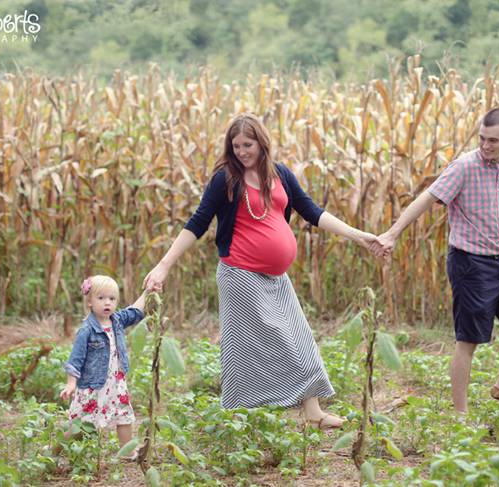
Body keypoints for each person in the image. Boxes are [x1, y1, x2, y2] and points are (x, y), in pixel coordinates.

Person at [144, 113, 380, 429]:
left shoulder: (280, 174)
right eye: (236, 145)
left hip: (275, 278)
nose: (242, 151)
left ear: (261, 142)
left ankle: (314, 413)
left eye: (248, 144)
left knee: (300, 337)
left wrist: (359, 235)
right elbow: (198, 223)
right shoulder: (225, 179)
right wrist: (163, 266)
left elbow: (312, 212)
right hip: (239, 274)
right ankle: (236, 415)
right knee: (246, 345)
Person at [374, 107, 499, 414]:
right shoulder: (465, 166)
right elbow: (428, 198)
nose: (485, 145)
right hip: (469, 262)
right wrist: (392, 233)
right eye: (482, 138)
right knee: (468, 341)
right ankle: (461, 416)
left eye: (493, 140)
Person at [60, 275, 148, 450]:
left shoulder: (117, 321)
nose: (107, 303)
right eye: (101, 298)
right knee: (80, 423)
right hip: (93, 385)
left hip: (116, 382)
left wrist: (148, 291)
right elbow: (75, 359)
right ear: (90, 302)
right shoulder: (86, 330)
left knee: (124, 416)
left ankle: (126, 451)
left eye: (112, 299)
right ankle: (57, 449)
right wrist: (71, 383)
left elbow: (135, 312)